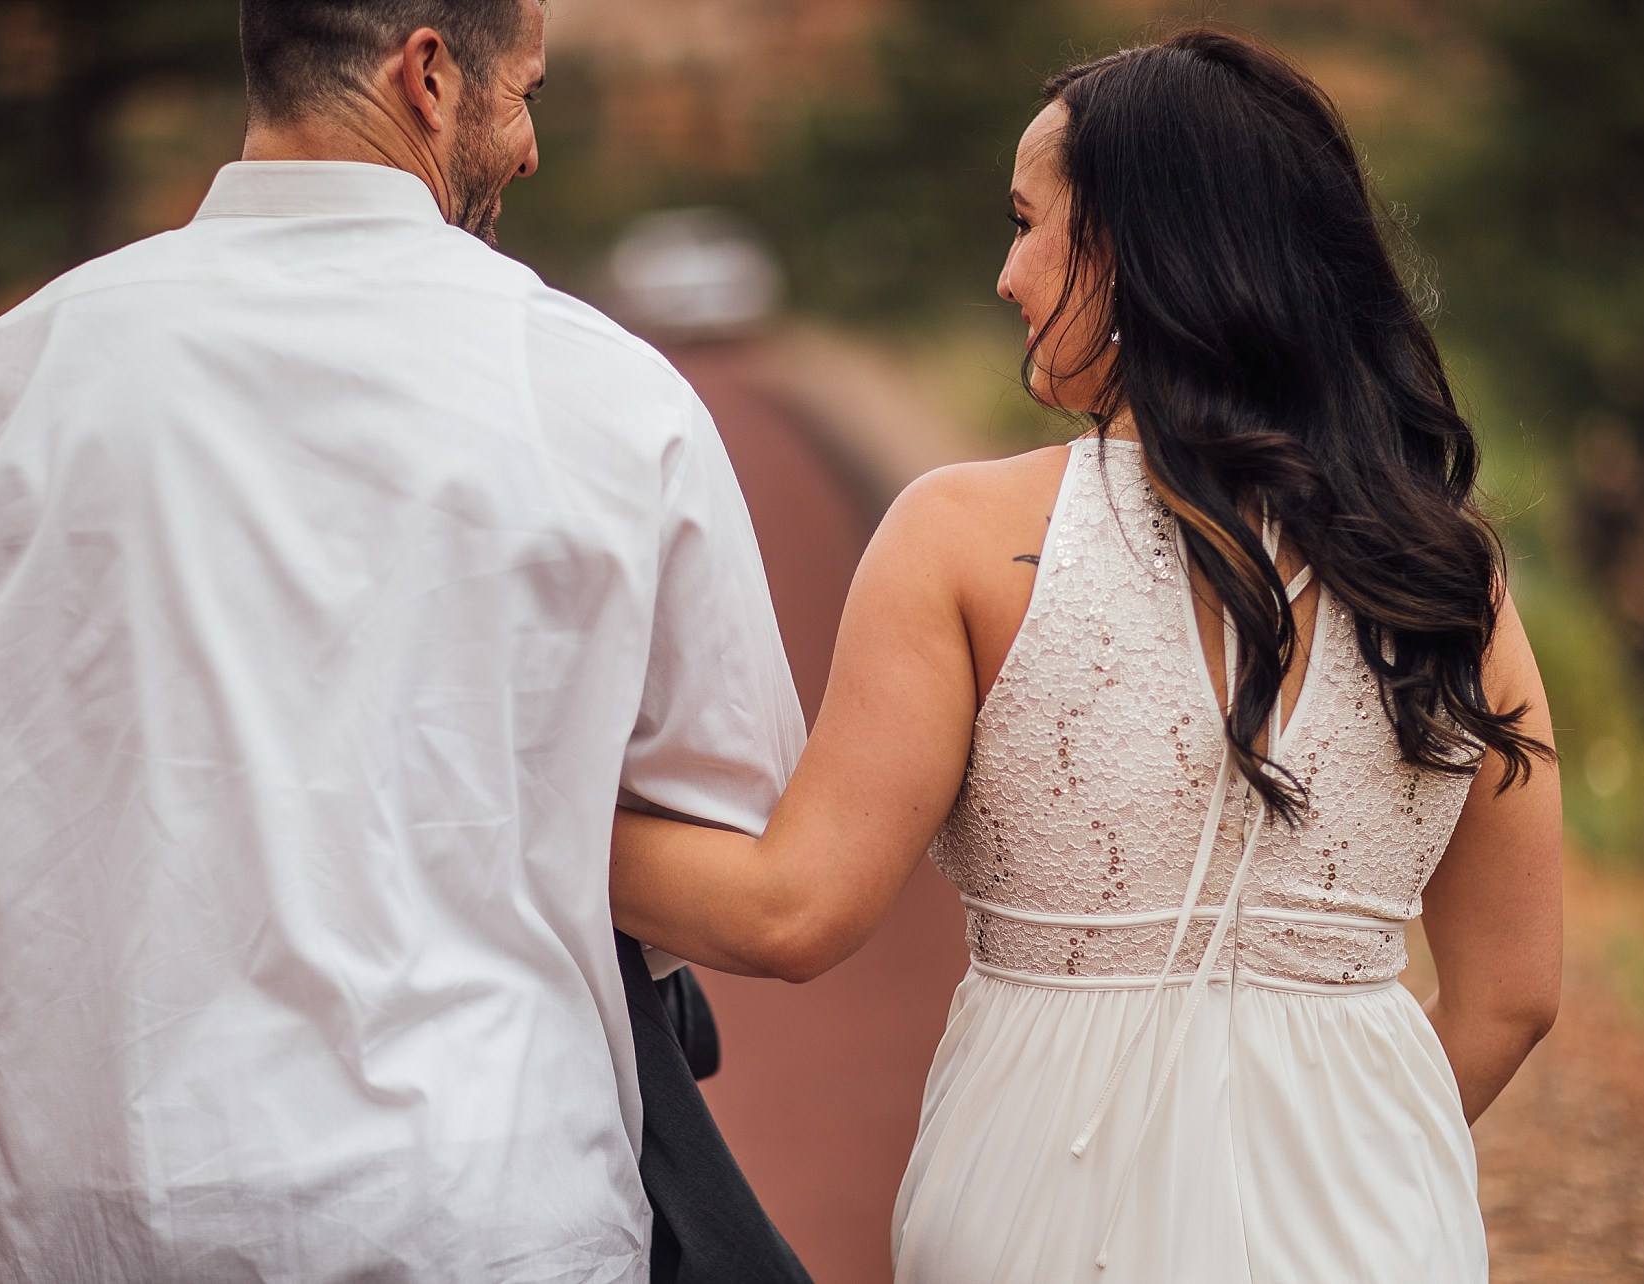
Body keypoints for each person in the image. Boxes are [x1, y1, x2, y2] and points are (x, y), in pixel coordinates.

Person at [611, 27, 1563, 1282]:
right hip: (1376, 1211)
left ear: (1131, 250)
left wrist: (532, 822)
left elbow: (794, 911)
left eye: (1027, 223)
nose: (1007, 275)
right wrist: (1344, 1162)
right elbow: (1515, 996)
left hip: (1045, 1206)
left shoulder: (961, 537)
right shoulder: (1451, 577)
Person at [0, 2, 811, 1280]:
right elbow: (732, 816)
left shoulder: (4, 381)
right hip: (478, 1196)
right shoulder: (606, 393)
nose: (531, 146)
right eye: (525, 93)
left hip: (105, 1204)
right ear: (428, 73)